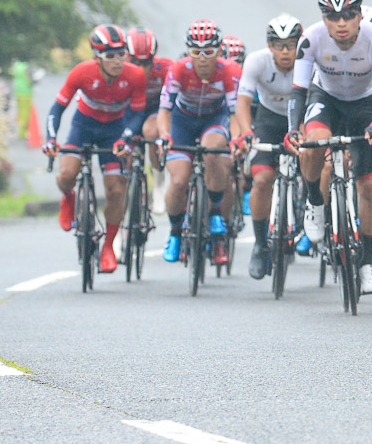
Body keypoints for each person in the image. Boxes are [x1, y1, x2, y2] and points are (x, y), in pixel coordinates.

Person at [287, 0, 372, 296]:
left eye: (348, 15)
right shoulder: (310, 39)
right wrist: (293, 128)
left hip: (365, 106)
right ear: (323, 16)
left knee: (368, 185)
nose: (341, 23)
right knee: (312, 144)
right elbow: (298, 90)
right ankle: (314, 201)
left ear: (360, 14)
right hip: (326, 98)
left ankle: (366, 261)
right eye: (332, 15)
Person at [44, 25, 148, 274]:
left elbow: (137, 113)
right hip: (84, 127)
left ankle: (109, 246)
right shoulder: (82, 72)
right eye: (110, 56)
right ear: (97, 57)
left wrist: (126, 138)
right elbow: (57, 109)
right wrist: (50, 138)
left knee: (116, 188)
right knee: (67, 174)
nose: (117, 61)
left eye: (121, 54)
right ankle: (69, 198)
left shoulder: (135, 76)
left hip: (115, 131)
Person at [157, 20, 242, 266]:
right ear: (188, 52)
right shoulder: (178, 69)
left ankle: (215, 212)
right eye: (196, 52)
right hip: (182, 121)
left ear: (219, 51)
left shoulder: (230, 70)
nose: (202, 58)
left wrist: (236, 139)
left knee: (213, 152)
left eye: (209, 52)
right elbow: (164, 110)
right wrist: (165, 136)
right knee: (180, 179)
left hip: (214, 118)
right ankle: (174, 232)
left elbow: (236, 115)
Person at [234, 14, 303, 280]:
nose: (285, 51)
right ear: (269, 45)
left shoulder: (308, 61)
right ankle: (261, 243)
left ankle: (310, 215)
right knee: (262, 180)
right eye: (279, 45)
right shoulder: (256, 61)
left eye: (291, 44)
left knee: (316, 166)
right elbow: (242, 102)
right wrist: (247, 133)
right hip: (268, 119)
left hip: (301, 117)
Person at [126, 26, 173, 212]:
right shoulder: (118, 70)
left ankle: (159, 183)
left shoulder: (166, 68)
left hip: (154, 110)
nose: (141, 68)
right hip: (130, 112)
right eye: (136, 62)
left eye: (147, 63)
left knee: (151, 131)